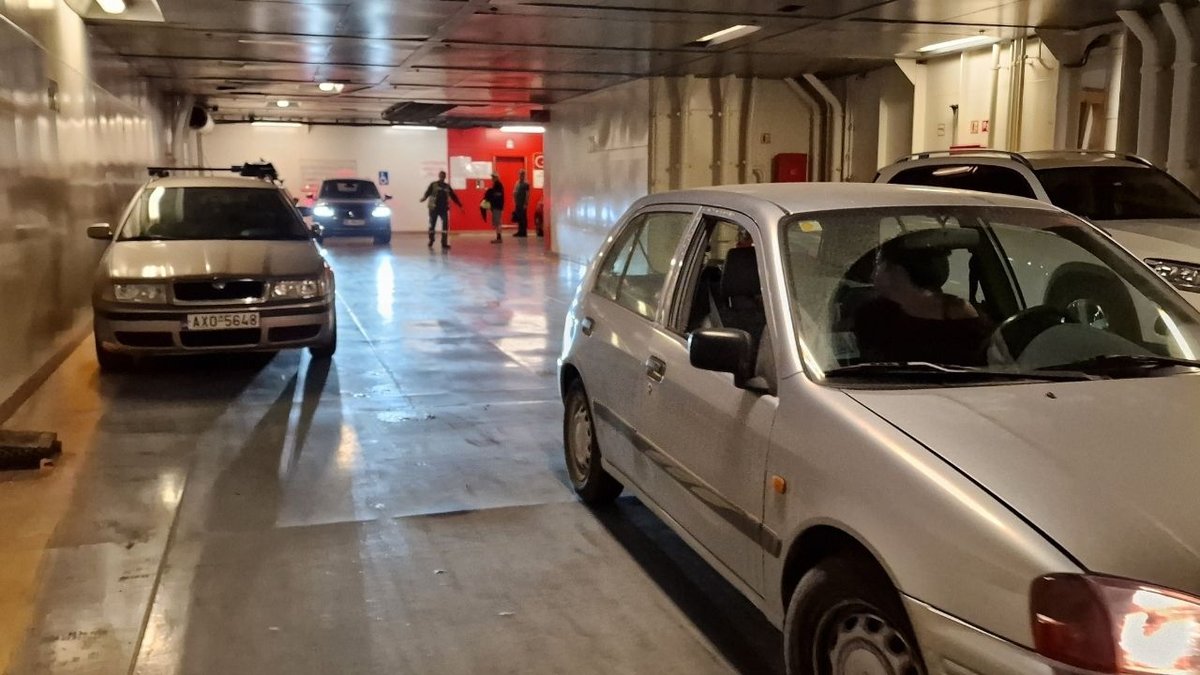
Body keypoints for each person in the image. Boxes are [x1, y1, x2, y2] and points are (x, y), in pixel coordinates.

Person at [853, 239, 992, 366]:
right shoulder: (871, 313)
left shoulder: (958, 311)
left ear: (896, 271)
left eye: (878, 264)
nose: (873, 274)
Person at [420, 171, 462, 250]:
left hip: (443, 209)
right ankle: (431, 240)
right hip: (433, 208)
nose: (442, 177)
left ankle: (444, 243)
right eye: (441, 175)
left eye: (443, 176)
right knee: (432, 225)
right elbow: (428, 192)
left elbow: (453, 196)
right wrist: (424, 198)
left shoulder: (447, 186)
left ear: (445, 177)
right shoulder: (433, 184)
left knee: (445, 225)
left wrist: (459, 205)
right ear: (439, 176)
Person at [485, 174, 505, 243]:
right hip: (496, 206)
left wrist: (490, 192)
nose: (492, 178)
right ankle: (498, 237)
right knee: (497, 222)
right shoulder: (496, 185)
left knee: (498, 222)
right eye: (492, 177)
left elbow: (498, 195)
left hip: (497, 206)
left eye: (493, 177)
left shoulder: (498, 185)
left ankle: (499, 238)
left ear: (496, 178)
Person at [511, 169, 530, 238]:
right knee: (519, 217)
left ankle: (524, 232)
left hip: (523, 203)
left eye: (522, 174)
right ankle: (519, 231)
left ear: (524, 175)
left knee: (523, 218)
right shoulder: (517, 182)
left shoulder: (526, 183)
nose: (521, 176)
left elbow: (527, 194)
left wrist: (526, 203)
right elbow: (515, 191)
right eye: (520, 174)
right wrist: (514, 199)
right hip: (518, 202)